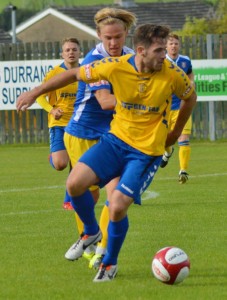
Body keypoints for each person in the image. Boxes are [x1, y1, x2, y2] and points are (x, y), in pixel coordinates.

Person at [16, 23, 197, 283]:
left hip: (146, 152)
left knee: (117, 206)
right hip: (115, 142)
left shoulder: (173, 73)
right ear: (141, 50)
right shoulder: (116, 65)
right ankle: (90, 232)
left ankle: (109, 263)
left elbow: (191, 98)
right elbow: (75, 74)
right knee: (74, 183)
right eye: (158, 50)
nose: (163, 55)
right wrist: (35, 92)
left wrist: (174, 133)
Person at [63, 8, 137, 267]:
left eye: (118, 37)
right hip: (81, 134)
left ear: (126, 34)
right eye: (108, 38)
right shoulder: (93, 61)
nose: (114, 43)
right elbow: (106, 102)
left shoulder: (132, 57)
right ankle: (88, 237)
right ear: (99, 36)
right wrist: (142, 101)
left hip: (113, 135)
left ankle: (103, 248)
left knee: (114, 195)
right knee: (86, 194)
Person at [36, 38, 81, 209]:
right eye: (67, 50)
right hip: (58, 124)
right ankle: (53, 159)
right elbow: (40, 96)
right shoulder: (54, 73)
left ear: (79, 52)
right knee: (61, 164)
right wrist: (51, 110)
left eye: (74, 49)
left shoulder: (85, 73)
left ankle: (69, 200)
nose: (71, 52)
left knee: (76, 163)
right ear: (62, 53)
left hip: (78, 125)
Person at [159, 33, 195, 184]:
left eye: (176, 43)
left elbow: (190, 76)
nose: (173, 46)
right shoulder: (161, 62)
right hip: (166, 108)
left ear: (179, 45)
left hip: (182, 107)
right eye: (171, 43)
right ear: (166, 46)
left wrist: (191, 84)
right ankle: (168, 153)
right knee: (166, 141)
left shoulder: (185, 61)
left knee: (184, 138)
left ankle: (183, 170)